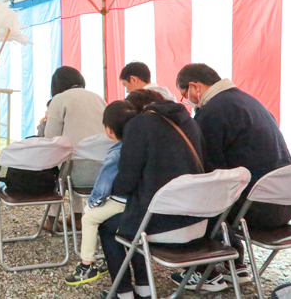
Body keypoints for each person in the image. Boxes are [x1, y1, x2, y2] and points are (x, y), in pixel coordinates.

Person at [172, 63, 291, 289]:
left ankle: (203, 272)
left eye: (184, 95)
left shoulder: (212, 112)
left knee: (196, 195)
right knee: (229, 190)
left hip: (257, 209)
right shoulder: (249, 101)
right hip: (286, 204)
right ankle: (235, 266)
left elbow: (210, 174)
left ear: (194, 86)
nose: (187, 100)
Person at [98, 91, 207, 299]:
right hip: (199, 222)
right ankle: (144, 289)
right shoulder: (188, 121)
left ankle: (123, 293)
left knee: (112, 225)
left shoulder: (140, 125)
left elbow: (125, 183)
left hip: (163, 227)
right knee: (137, 217)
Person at [65, 100, 139, 286]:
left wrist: (90, 205)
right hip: (139, 201)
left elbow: (103, 186)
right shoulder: (141, 146)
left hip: (120, 202)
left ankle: (86, 265)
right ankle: (105, 260)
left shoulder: (115, 153)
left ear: (108, 130)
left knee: (89, 219)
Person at [44, 66, 107, 231]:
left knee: (59, 162)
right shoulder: (98, 98)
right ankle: (77, 217)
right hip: (103, 172)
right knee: (73, 158)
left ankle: (52, 219)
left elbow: (51, 138)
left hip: (74, 173)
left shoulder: (60, 99)